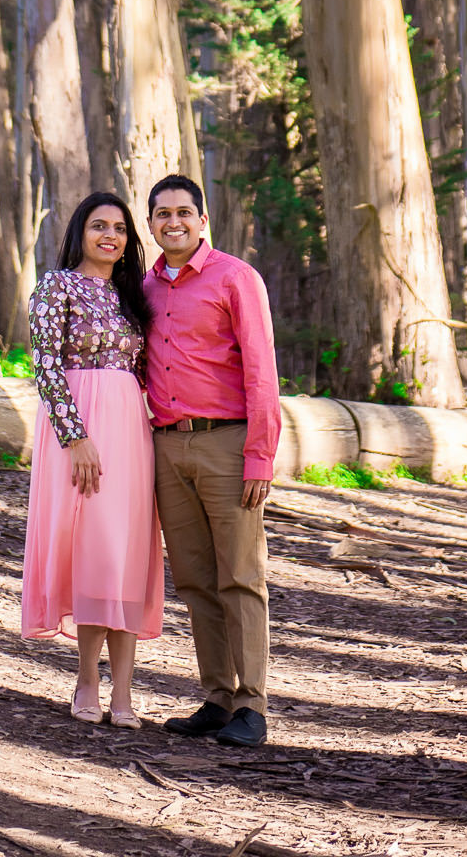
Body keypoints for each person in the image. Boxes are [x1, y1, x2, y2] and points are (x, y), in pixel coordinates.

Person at [144, 173, 281, 748]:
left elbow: (260, 370)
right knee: (196, 579)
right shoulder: (144, 287)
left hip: (228, 442)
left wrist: (260, 456)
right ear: (150, 224)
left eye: (182, 212)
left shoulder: (236, 278)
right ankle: (217, 698)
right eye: (160, 214)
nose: (172, 222)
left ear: (203, 220)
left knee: (241, 575)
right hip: (167, 445)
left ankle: (253, 706)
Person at [21, 192, 164, 728]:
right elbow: (46, 368)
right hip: (80, 432)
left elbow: (150, 370)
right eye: (99, 225)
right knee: (93, 549)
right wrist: (75, 437)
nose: (111, 235)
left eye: (121, 228)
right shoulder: (56, 286)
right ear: (80, 231)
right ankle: (86, 678)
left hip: (130, 430)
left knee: (128, 551)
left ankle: (124, 691)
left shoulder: (134, 295)